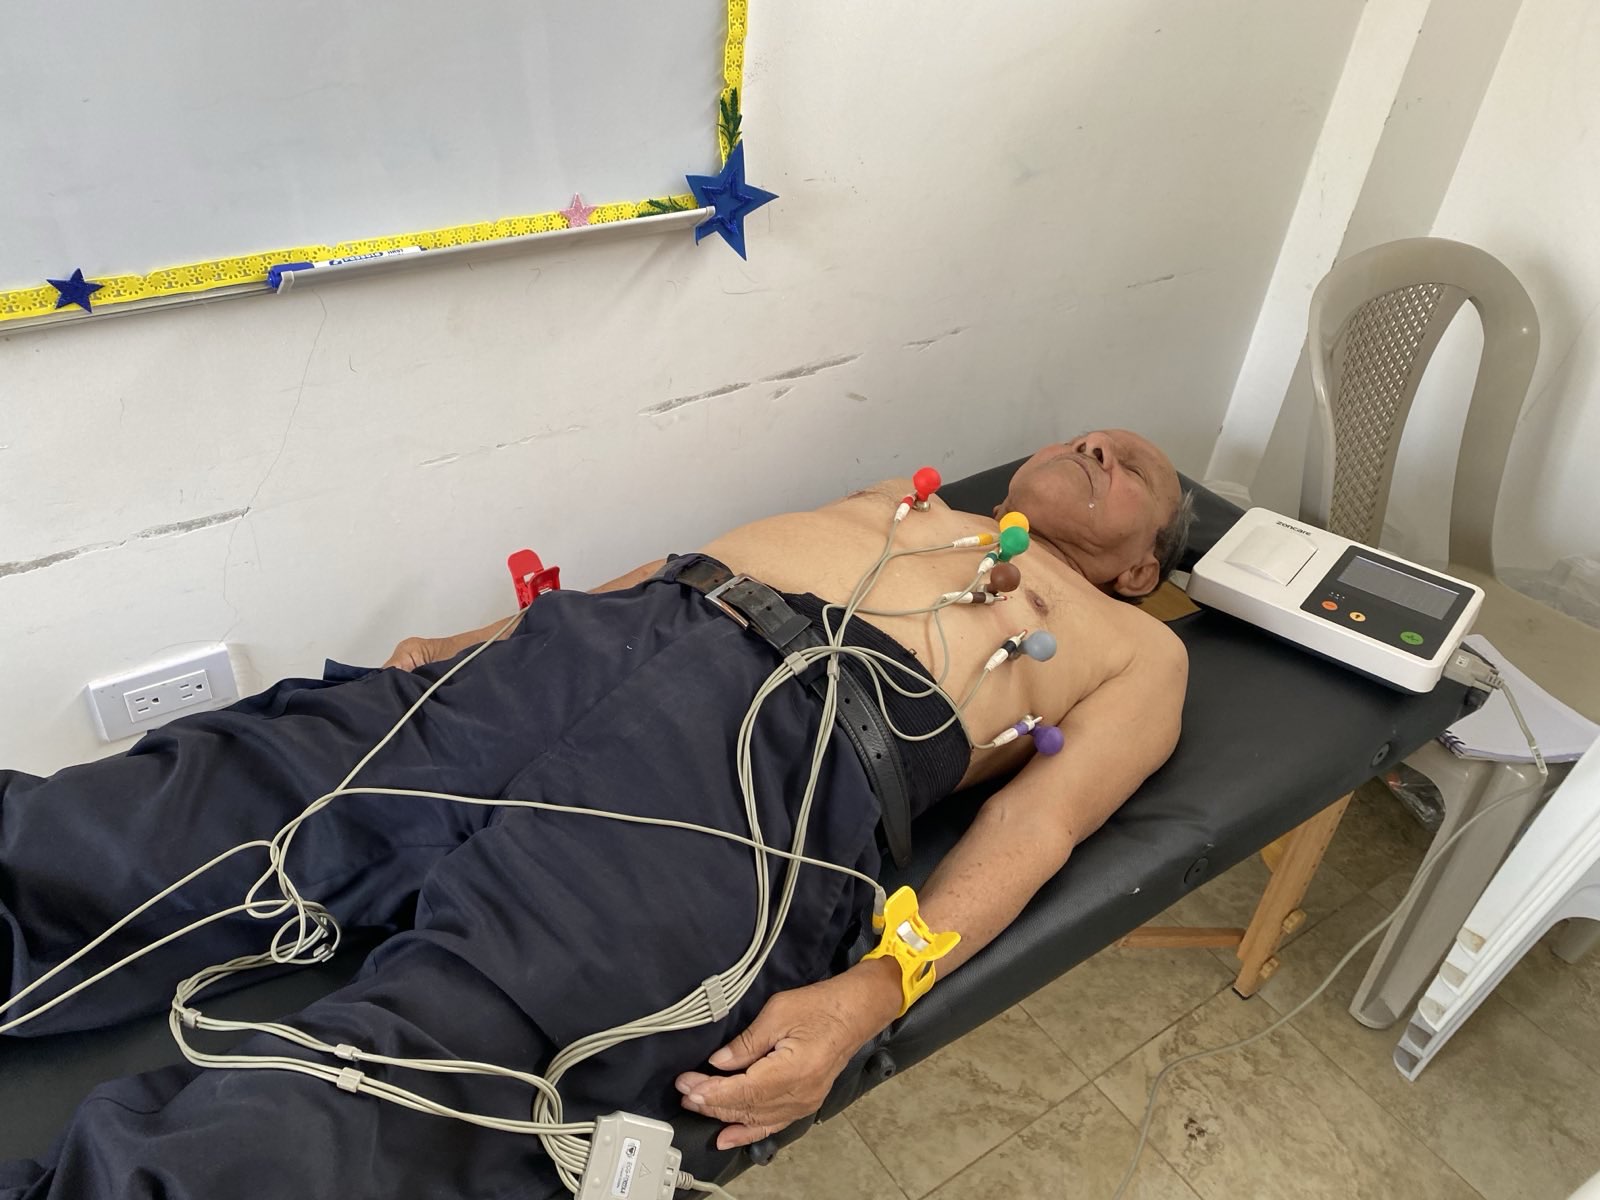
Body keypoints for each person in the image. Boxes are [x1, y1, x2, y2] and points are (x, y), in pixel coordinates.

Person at [0, 430, 1191, 1199]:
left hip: (771, 766)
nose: (1097, 444)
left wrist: (875, 990)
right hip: (589, 650)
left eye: (1131, 464)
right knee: (209, 803)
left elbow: (1032, 831)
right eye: (1087, 435)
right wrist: (481, 638)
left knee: (452, 1057)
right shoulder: (903, 497)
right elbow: (675, 567)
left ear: (1142, 567)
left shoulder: (1133, 648)